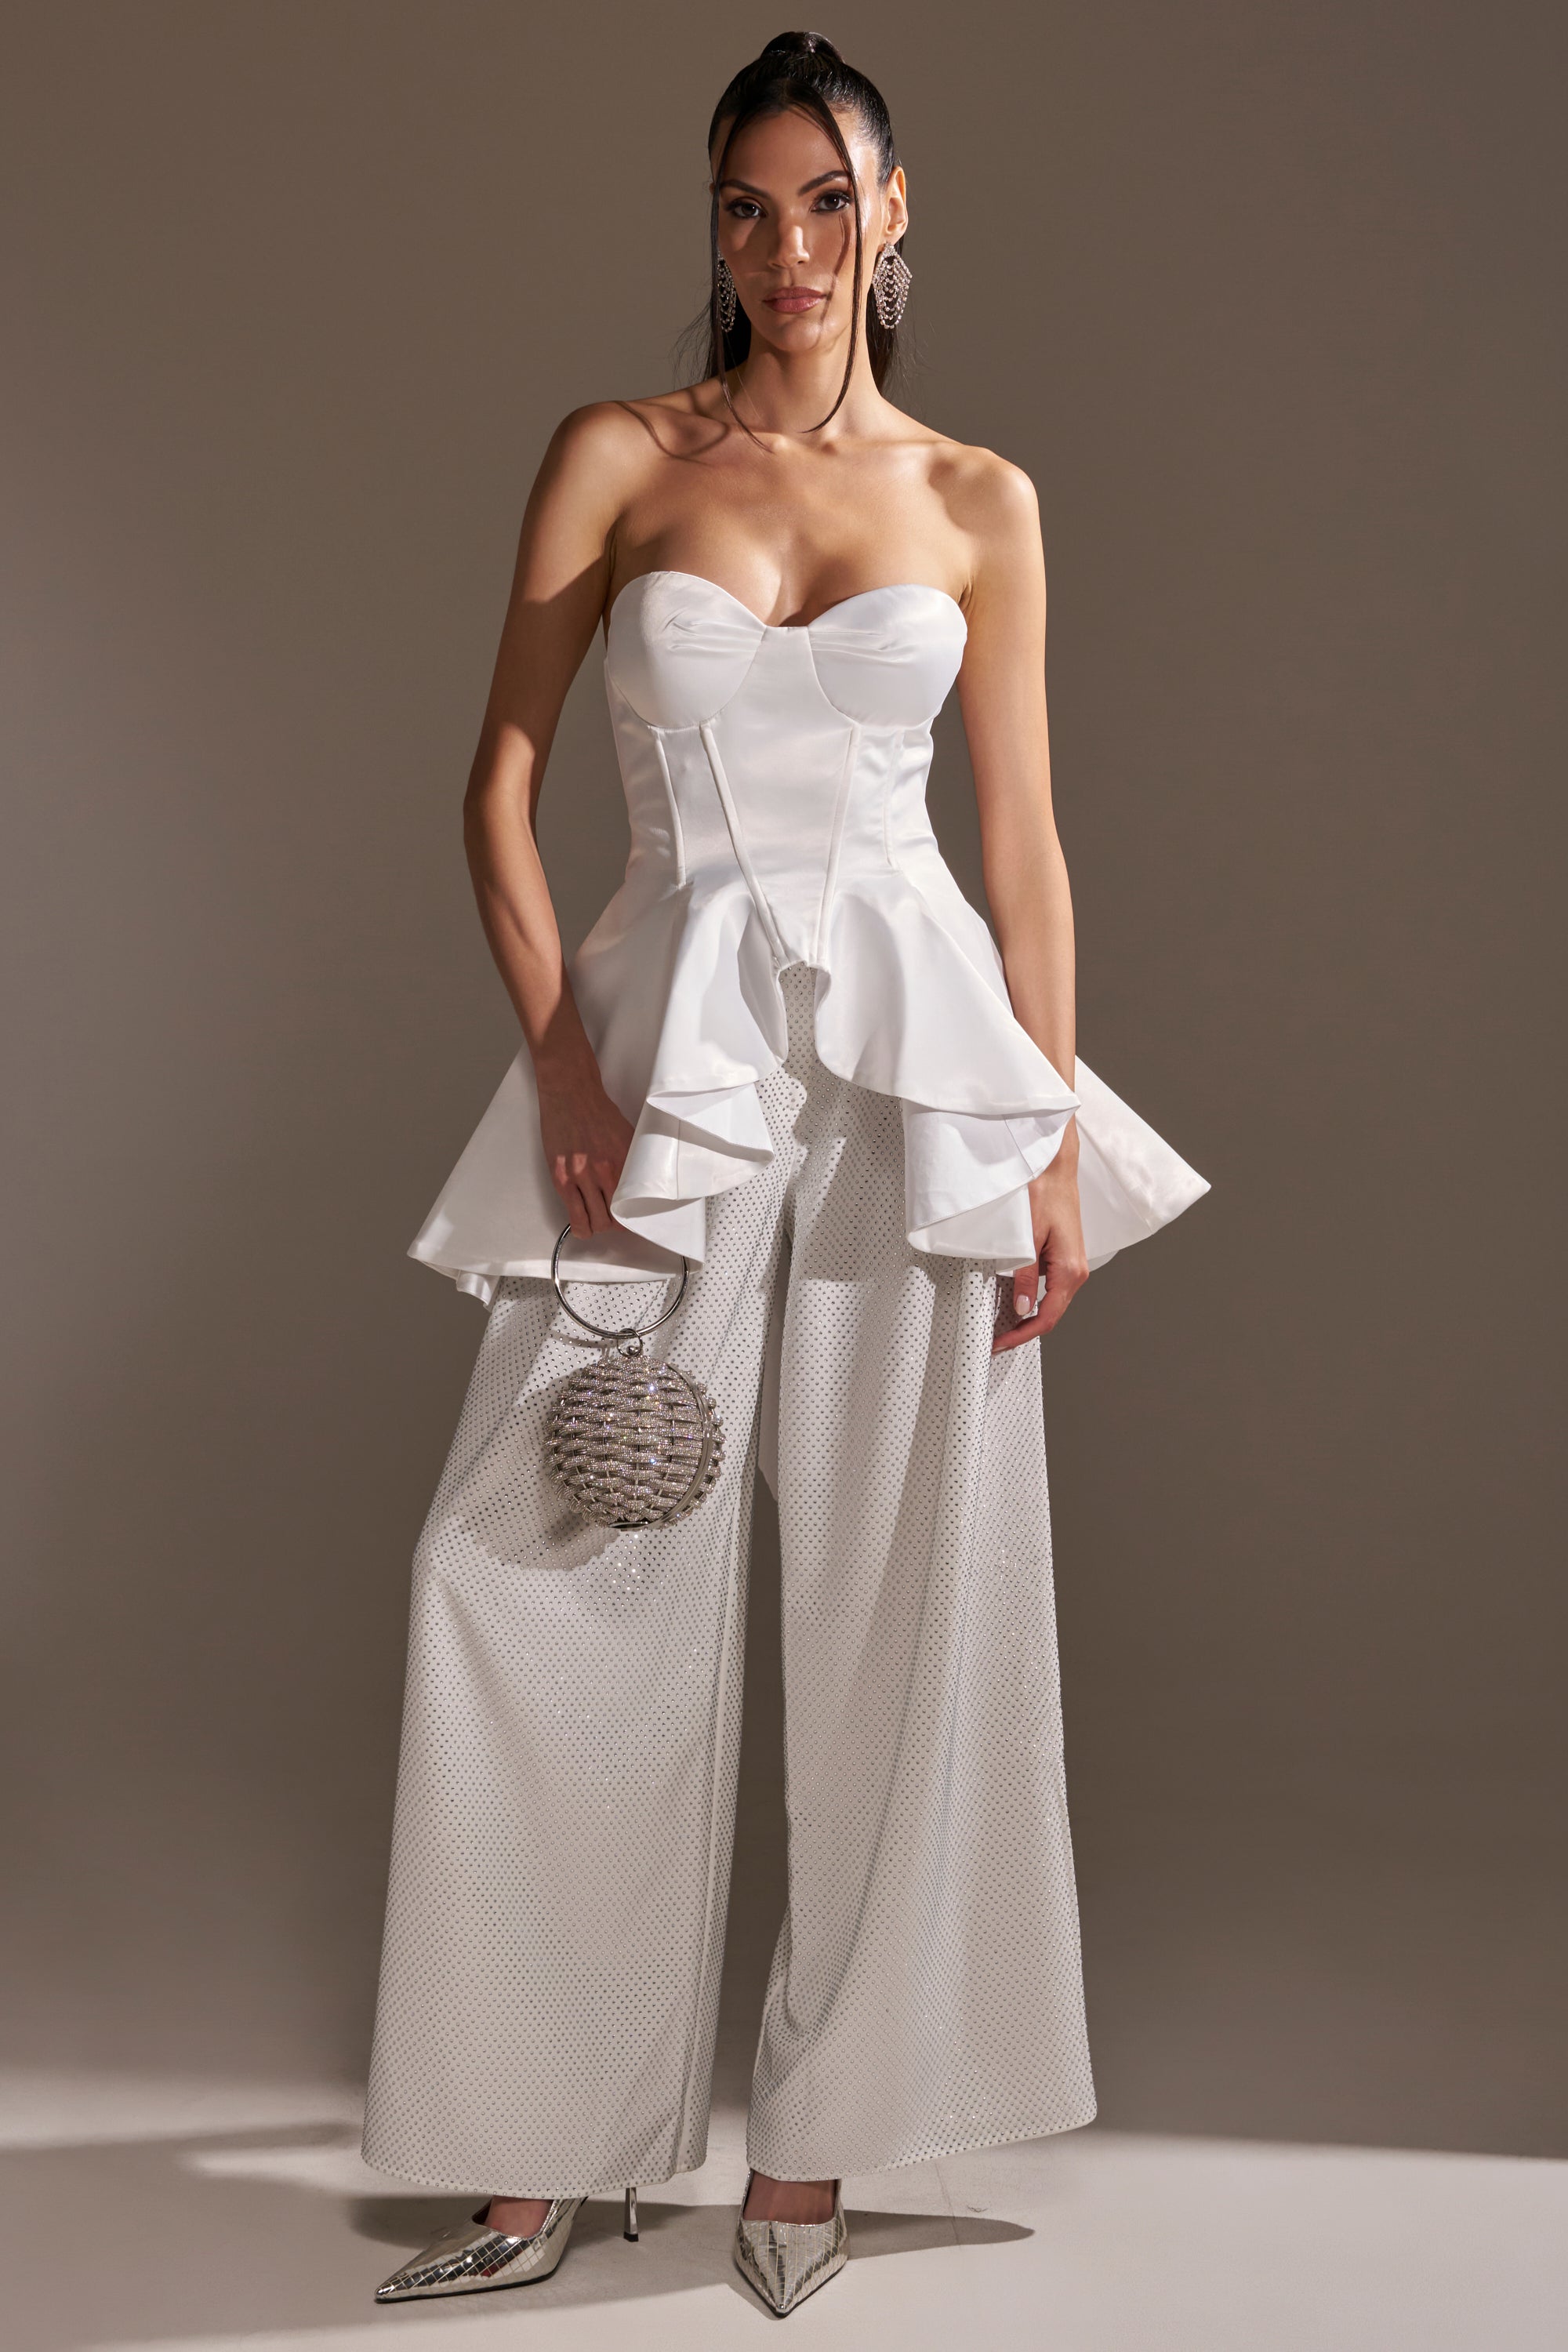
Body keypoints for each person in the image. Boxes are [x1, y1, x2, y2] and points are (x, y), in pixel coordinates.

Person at [361, 28, 1207, 2319]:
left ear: (898, 214)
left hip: (915, 1079)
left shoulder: (979, 500)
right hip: (662, 1061)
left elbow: (1021, 847)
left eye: (829, 204)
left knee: (894, 1606)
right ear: (711, 227)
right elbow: (496, 789)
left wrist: (1040, 1138)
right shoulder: (620, 456)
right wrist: (560, 1066)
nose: (789, 250)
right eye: (747, 208)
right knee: (536, 1567)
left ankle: (818, 2154)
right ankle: (540, 2131)